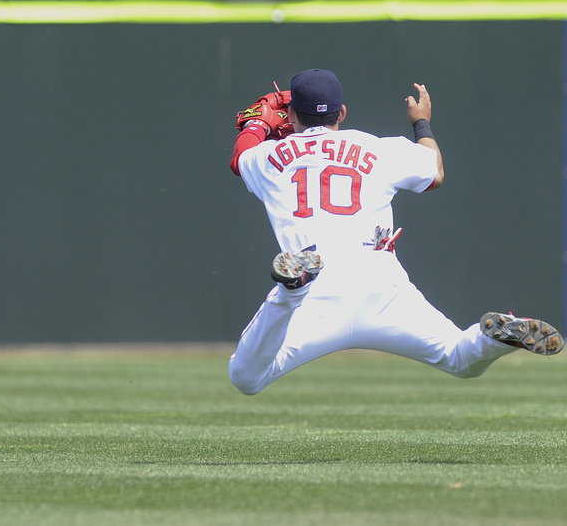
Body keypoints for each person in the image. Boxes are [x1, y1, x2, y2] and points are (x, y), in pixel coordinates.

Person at [228, 68, 563, 396]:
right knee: (459, 357)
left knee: (247, 378)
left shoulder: (270, 157)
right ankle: (492, 336)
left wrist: (257, 124)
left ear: (289, 113)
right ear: (341, 112)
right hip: (380, 285)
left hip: (313, 292)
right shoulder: (377, 148)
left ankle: (291, 290)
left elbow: (241, 156)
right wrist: (421, 122)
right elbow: (435, 173)